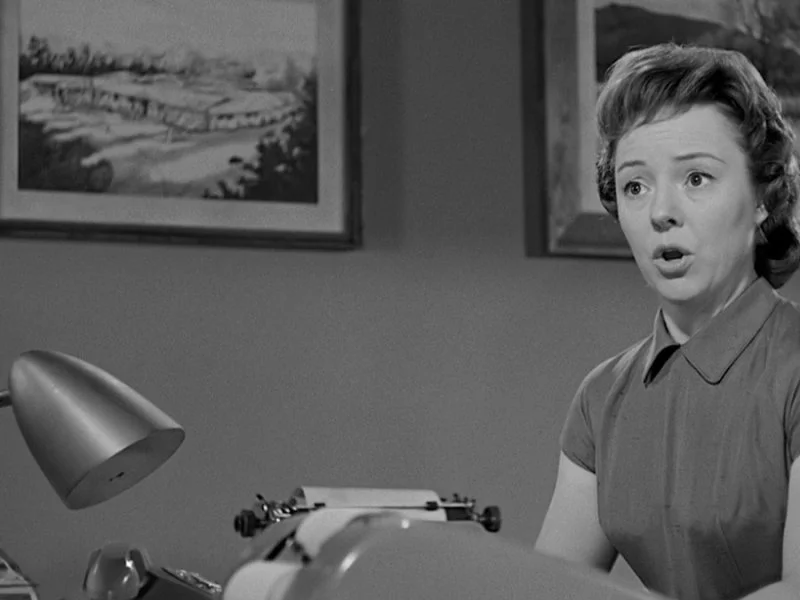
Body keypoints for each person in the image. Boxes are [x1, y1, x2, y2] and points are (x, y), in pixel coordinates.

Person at [535, 42, 800, 600]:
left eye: (696, 178)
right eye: (635, 186)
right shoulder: (602, 398)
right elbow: (547, 590)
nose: (660, 212)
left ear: (762, 195)